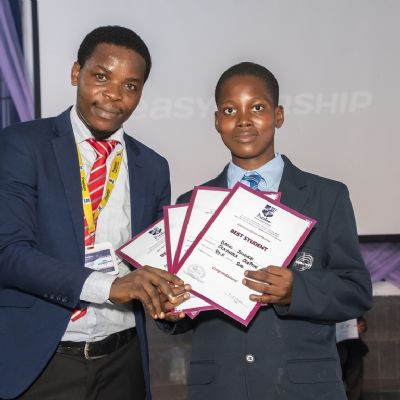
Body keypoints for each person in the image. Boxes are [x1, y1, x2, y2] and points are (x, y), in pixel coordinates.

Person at [160, 62, 373, 400]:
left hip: (303, 389)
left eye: (257, 107)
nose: (243, 119)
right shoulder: (192, 203)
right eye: (230, 110)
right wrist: (171, 307)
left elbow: (355, 290)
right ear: (217, 121)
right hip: (220, 389)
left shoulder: (326, 196)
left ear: (279, 115)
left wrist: (295, 290)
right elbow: (184, 307)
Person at [0, 26, 188, 400]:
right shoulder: (23, 145)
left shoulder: (153, 167)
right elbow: (9, 253)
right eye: (101, 77)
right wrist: (110, 287)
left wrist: (170, 302)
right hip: (42, 362)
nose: (114, 95)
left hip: (123, 362)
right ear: (76, 73)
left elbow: (153, 262)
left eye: (130, 85)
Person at [337, 317, 369, 400]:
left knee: (354, 385)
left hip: (353, 350)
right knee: (336, 383)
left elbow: (362, 324)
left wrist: (361, 324)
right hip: (337, 350)